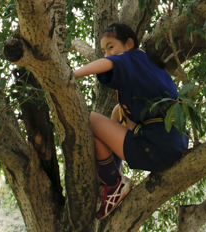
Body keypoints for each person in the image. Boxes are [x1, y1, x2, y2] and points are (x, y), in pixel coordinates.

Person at [74, 22, 188, 220]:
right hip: (170, 145)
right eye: (103, 51)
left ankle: (112, 183)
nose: (107, 54)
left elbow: (111, 64)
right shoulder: (150, 68)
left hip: (158, 146)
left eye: (111, 47)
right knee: (117, 112)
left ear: (129, 44)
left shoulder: (134, 56)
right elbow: (131, 125)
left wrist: (71, 75)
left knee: (89, 118)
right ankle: (112, 171)